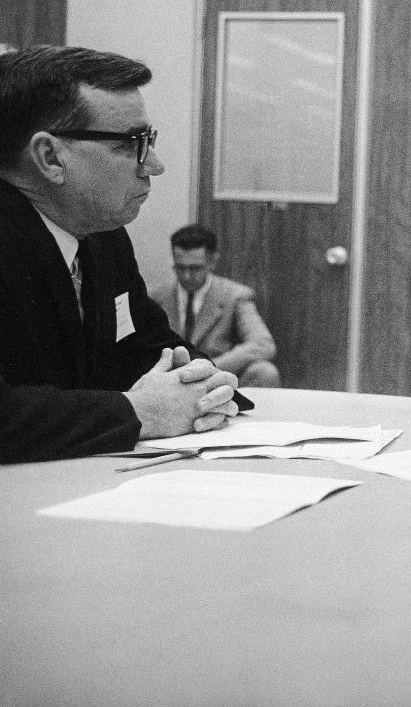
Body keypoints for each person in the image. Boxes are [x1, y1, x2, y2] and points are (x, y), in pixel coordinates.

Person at [1, 45, 242, 463]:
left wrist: (208, 384)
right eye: (132, 143)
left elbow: (145, 345)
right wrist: (140, 412)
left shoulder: (103, 236)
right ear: (50, 157)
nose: (155, 164)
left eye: (149, 141)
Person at [150, 224, 281, 388]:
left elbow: (262, 344)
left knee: (265, 372)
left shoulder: (235, 296)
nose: (186, 276)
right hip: (171, 382)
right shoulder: (155, 297)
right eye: (180, 268)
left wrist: (207, 367)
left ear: (212, 261)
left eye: (195, 268)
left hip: (216, 379)